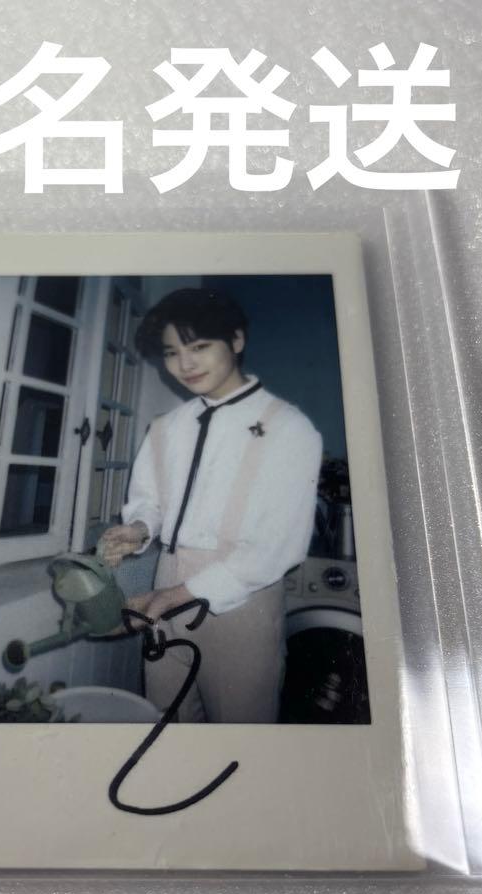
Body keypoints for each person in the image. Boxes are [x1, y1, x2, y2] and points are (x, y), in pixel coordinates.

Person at [99, 287, 323, 724]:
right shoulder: (166, 427)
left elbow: (278, 545)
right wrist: (139, 528)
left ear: (236, 340)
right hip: (167, 577)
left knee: (240, 727)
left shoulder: (289, 428)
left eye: (199, 347)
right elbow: (150, 501)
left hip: (241, 597)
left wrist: (175, 596)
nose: (185, 364)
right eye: (172, 352)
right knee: (168, 719)